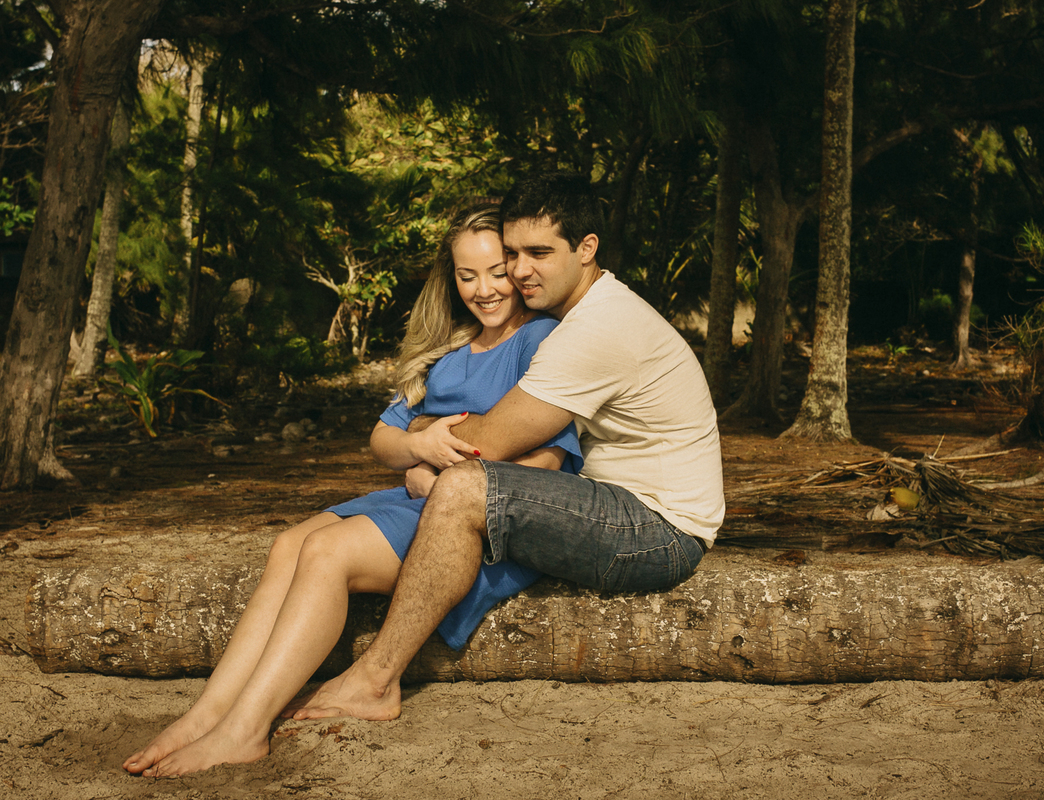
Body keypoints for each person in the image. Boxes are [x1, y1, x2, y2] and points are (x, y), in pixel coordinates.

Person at [122, 203, 581, 777]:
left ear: (517, 269)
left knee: (326, 552)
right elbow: (381, 440)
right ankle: (206, 714)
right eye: (467, 275)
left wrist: (447, 481)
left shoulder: (539, 339)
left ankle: (245, 731)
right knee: (290, 543)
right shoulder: (450, 351)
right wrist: (417, 450)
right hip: (413, 497)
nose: (484, 289)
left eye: (496, 271)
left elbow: (549, 461)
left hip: (475, 517)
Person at [282, 171, 724, 726]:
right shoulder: (580, 314)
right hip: (610, 502)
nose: (519, 270)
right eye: (513, 252)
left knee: (465, 484)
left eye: (539, 252)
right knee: (457, 485)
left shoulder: (597, 327)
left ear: (586, 249)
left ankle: (374, 680)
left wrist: (417, 445)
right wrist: (417, 443)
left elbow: (484, 445)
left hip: (658, 531)